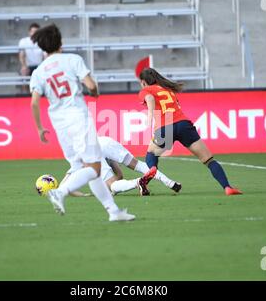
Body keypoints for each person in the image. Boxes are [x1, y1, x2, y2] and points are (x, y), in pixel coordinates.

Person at [30, 23, 135, 221]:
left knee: (85, 168)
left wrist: (39, 128)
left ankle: (114, 212)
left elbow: (34, 103)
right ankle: (60, 192)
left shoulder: (38, 72)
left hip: (60, 125)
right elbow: (91, 84)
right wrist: (94, 92)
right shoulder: (72, 59)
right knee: (94, 168)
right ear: (60, 42)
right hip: (78, 117)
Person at [138, 68, 243, 196]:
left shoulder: (146, 90)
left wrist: (150, 114)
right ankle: (227, 187)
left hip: (166, 127)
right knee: (209, 160)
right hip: (184, 125)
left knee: (151, 154)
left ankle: (151, 172)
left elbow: (149, 98)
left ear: (143, 82)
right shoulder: (168, 89)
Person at [64, 135, 181, 197]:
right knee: (137, 164)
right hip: (106, 141)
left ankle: (137, 182)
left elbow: (64, 186)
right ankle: (170, 182)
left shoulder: (78, 157)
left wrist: (84, 195)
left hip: (94, 152)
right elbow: (120, 175)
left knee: (113, 185)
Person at [19, 23, 45, 91]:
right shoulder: (23, 41)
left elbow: (45, 56)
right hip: (28, 66)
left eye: (37, 32)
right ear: (29, 32)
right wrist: (24, 65)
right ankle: (24, 94)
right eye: (33, 31)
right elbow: (21, 55)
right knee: (24, 71)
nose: (35, 33)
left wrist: (43, 66)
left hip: (40, 66)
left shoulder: (43, 41)